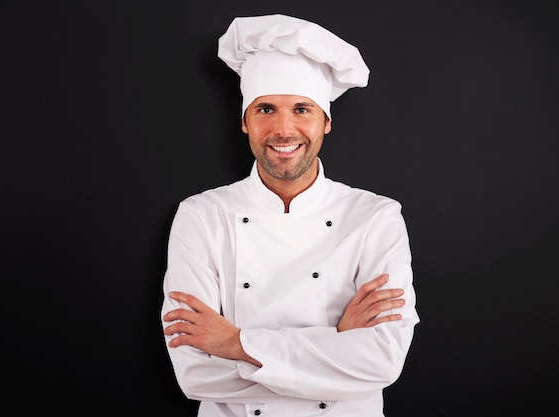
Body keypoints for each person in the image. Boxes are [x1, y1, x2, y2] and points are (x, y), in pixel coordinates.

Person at [161, 13, 419, 417]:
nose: (283, 129)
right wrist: (337, 342)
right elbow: (195, 374)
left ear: (326, 122)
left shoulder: (376, 217)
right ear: (245, 121)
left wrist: (233, 343)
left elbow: (382, 361)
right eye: (265, 109)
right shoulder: (200, 216)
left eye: (302, 109)